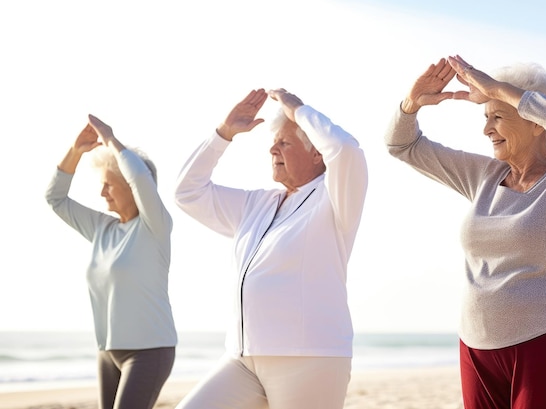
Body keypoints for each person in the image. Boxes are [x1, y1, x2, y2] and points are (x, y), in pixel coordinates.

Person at [385, 55, 546, 409]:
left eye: (497, 117)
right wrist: (411, 104)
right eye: (486, 117)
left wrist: (497, 89)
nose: (486, 129)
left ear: (537, 122)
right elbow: (402, 146)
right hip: (477, 346)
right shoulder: (482, 176)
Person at [173, 88, 368, 409]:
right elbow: (187, 193)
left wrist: (298, 110)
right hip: (242, 357)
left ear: (317, 152)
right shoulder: (256, 203)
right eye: (274, 141)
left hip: (309, 358)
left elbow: (346, 149)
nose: (272, 149)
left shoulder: (333, 198)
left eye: (284, 142)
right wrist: (223, 134)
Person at [45, 115, 178, 409]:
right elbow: (55, 198)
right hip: (107, 352)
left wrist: (112, 141)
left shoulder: (154, 227)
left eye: (109, 185)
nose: (101, 192)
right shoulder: (102, 228)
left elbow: (141, 179)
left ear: (131, 187)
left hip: (149, 351)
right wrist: (75, 151)